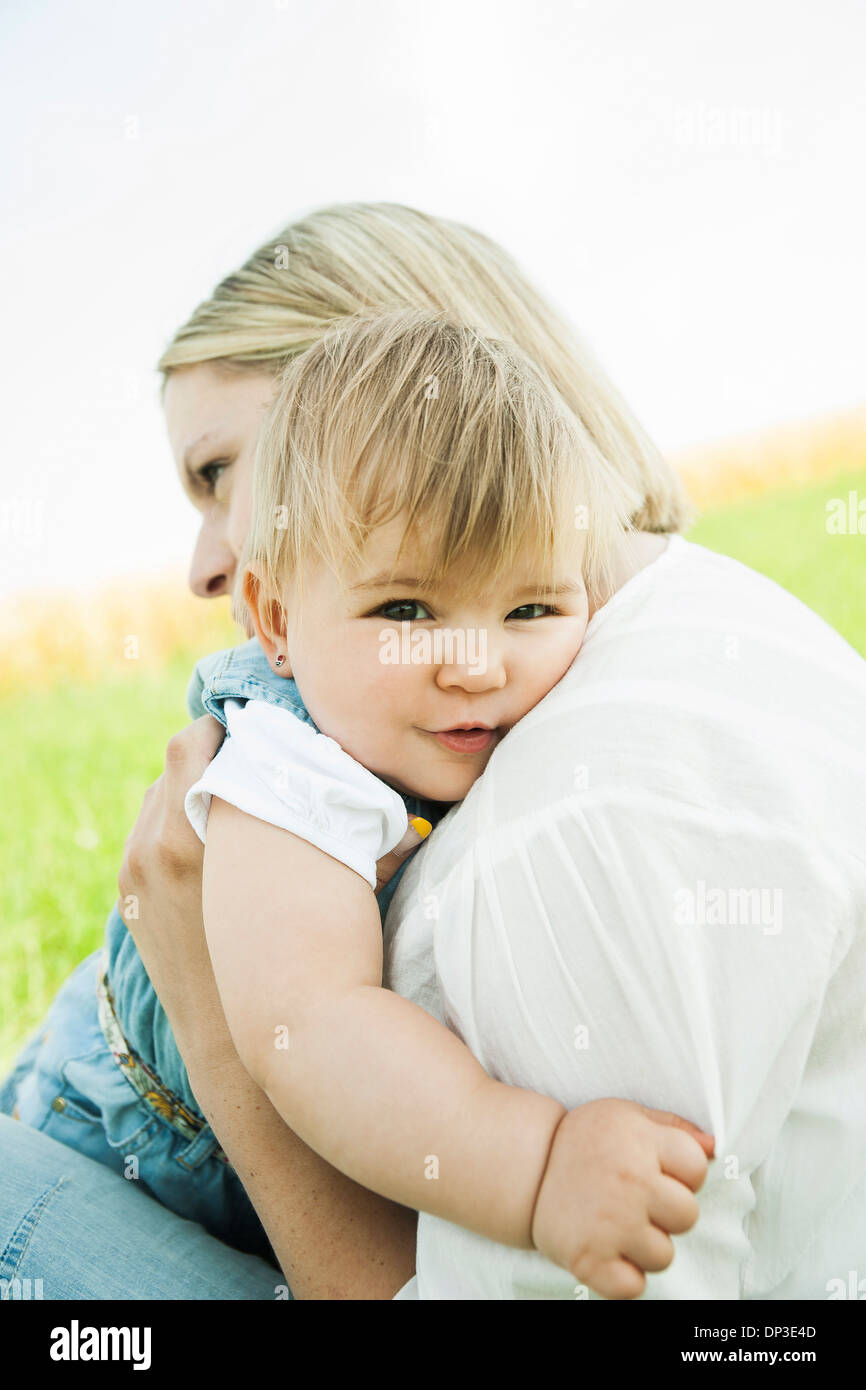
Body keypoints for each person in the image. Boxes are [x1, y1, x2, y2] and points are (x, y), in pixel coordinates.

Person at [0, 201, 697, 1300]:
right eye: (407, 608)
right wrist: (532, 1166)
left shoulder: (589, 674)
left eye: (223, 471)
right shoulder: (290, 734)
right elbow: (314, 1016)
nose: (198, 565)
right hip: (102, 1128)